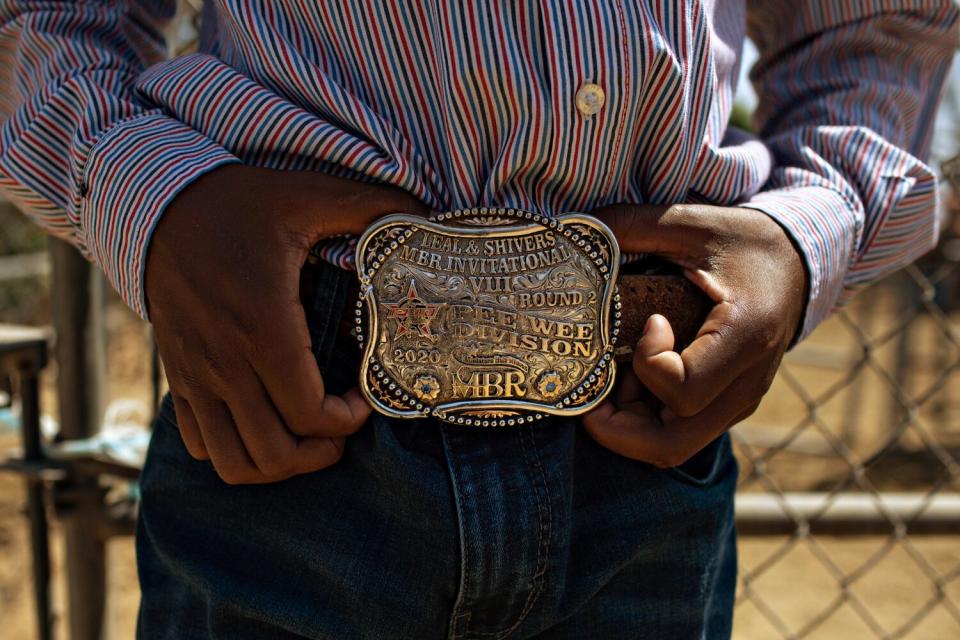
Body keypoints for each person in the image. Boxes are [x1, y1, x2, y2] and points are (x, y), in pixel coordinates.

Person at [1, 1, 956, 638]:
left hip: (642, 387)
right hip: (293, 389)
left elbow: (873, 28)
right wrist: (154, 194)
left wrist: (805, 231)